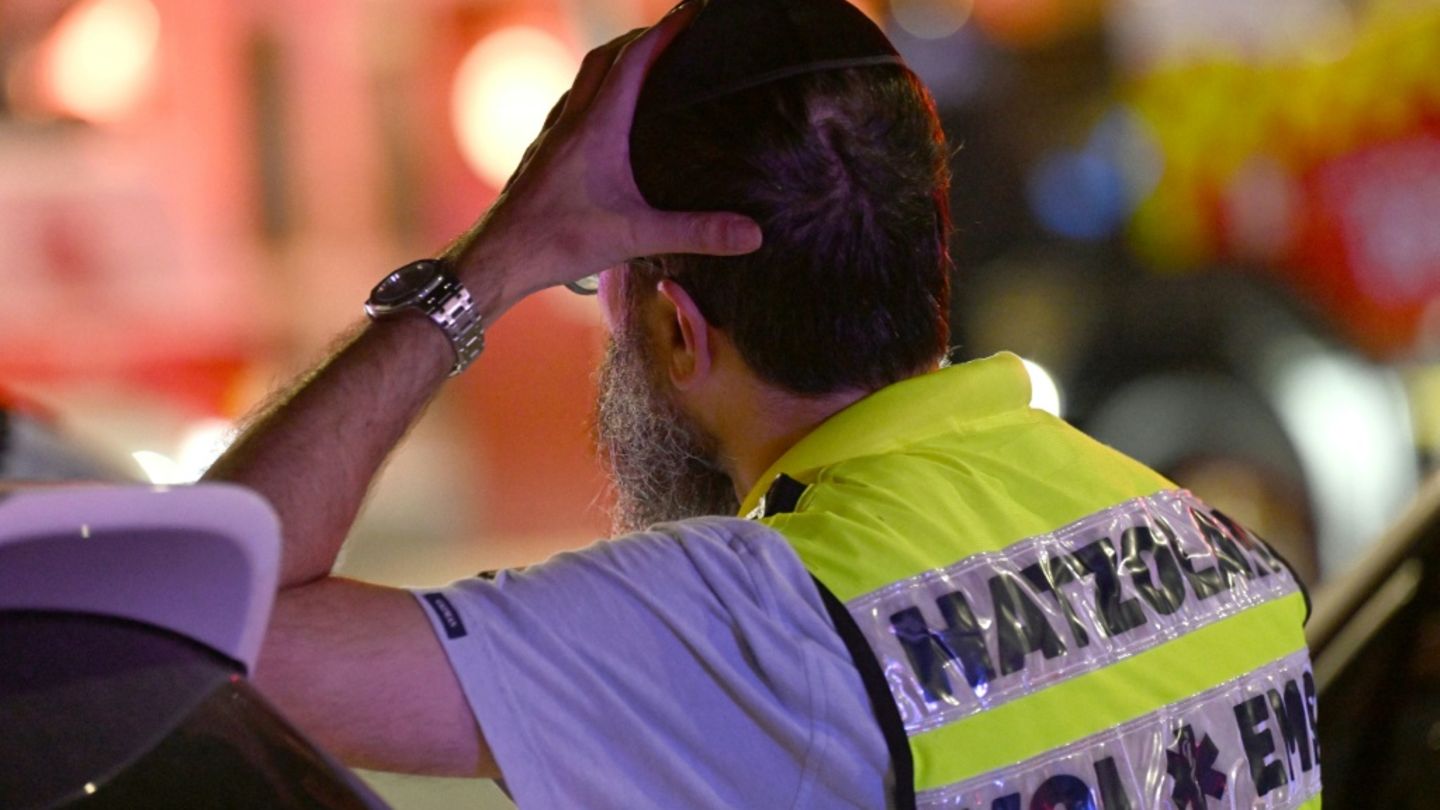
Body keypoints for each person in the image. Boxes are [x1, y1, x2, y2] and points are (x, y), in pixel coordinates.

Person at [205, 0, 1322, 807]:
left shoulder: (746, 626)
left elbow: (199, 632)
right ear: (919, 254)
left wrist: (491, 265)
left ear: (679, 331)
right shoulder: (1210, 547)